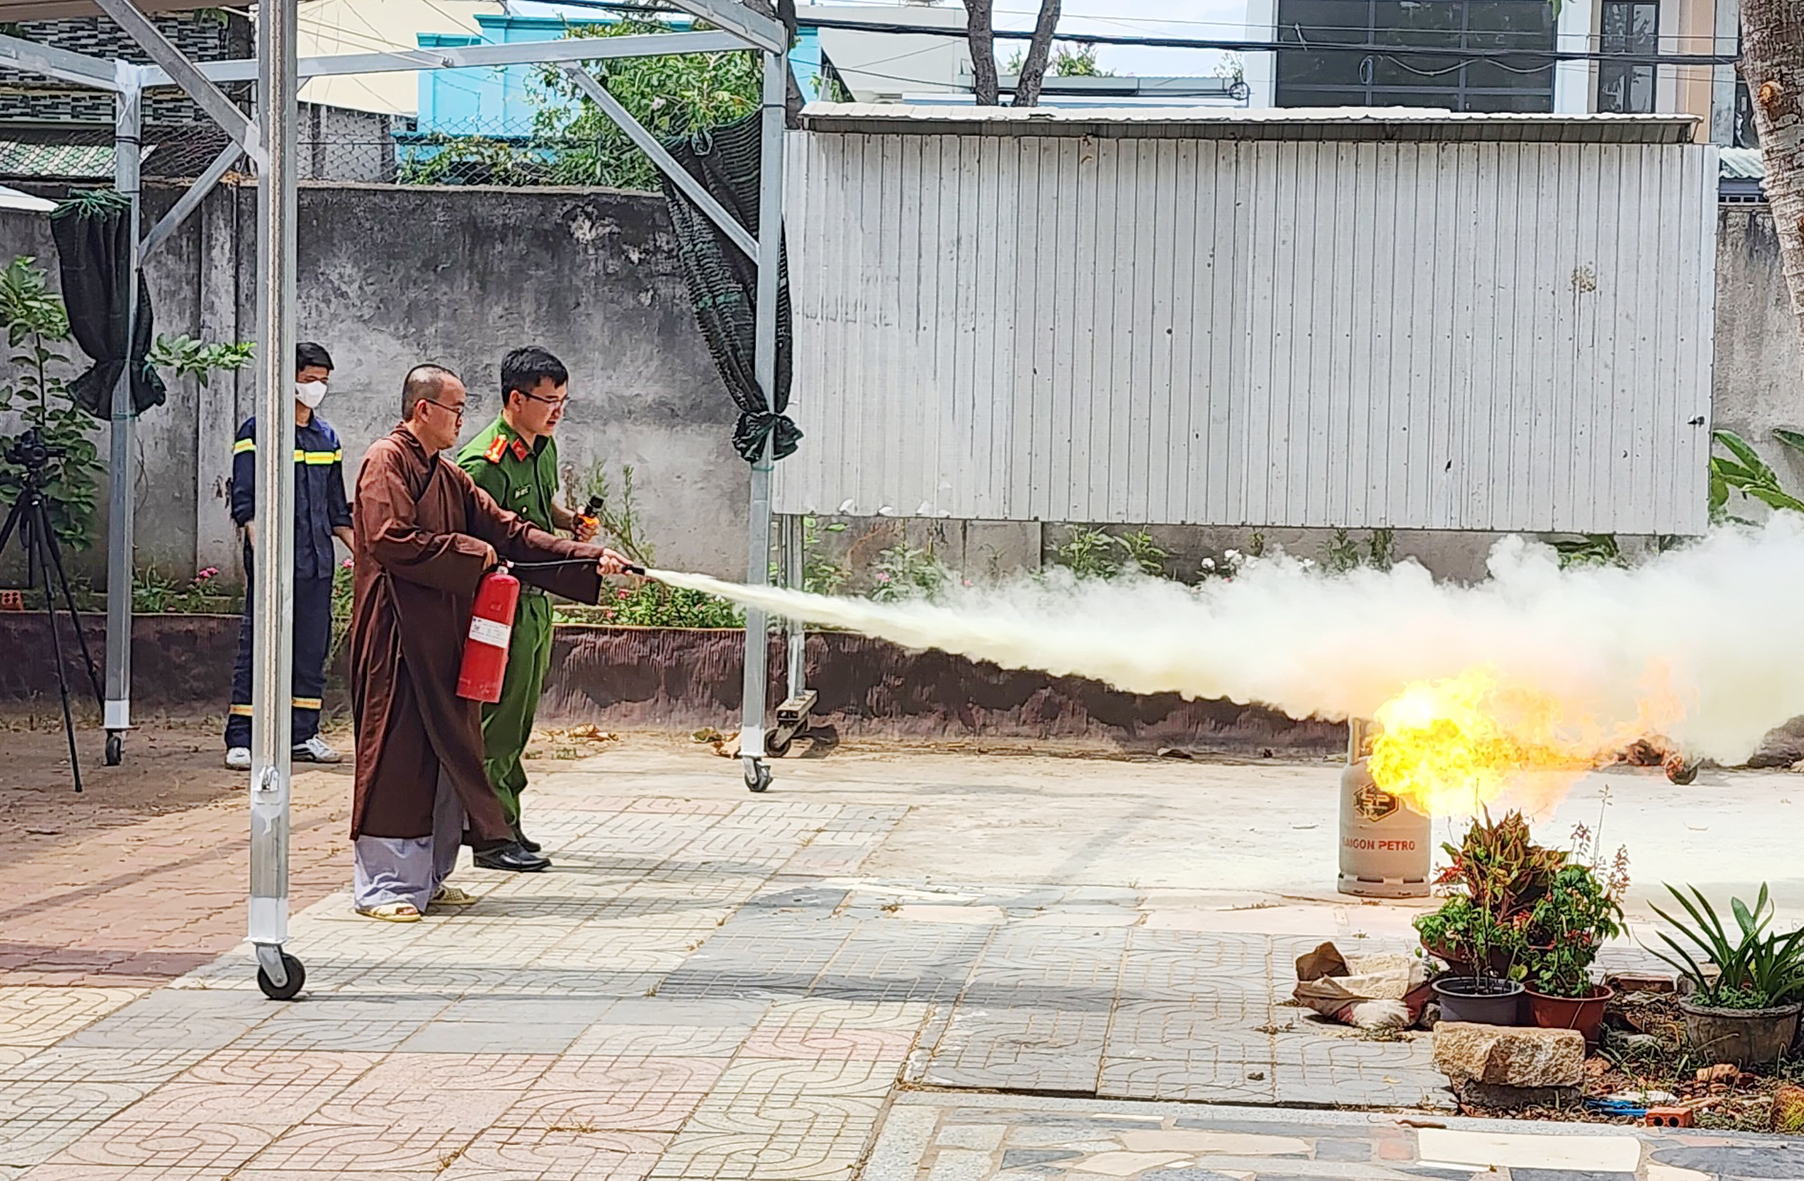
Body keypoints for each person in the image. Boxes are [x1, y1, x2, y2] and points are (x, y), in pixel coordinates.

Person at [348, 363, 629, 922]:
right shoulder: (386, 462)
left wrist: (588, 558)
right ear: (423, 409)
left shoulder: (447, 475)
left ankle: (428, 877)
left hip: (443, 634)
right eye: (455, 408)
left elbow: (510, 532)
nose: (462, 420)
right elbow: (389, 539)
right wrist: (477, 556)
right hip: (399, 635)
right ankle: (384, 886)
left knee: (451, 751)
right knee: (399, 756)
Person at [456, 347, 597, 865]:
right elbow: (484, 533)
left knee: (520, 719)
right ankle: (490, 834)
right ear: (516, 399)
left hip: (538, 603)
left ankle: (509, 820)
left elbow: (540, 509)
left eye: (563, 401)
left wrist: (567, 523)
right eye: (548, 401)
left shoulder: (543, 447)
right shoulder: (481, 462)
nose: (557, 411)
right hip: (500, 608)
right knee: (496, 720)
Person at [225, 341, 354, 771]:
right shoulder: (258, 431)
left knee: (311, 648)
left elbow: (338, 510)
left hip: (317, 563)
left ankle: (304, 733)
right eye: (308, 379)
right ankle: (242, 736)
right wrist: (264, 555)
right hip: (274, 563)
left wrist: (368, 556)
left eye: (322, 382)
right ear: (288, 380)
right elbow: (246, 502)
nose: (316, 388)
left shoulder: (327, 437)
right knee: (259, 645)